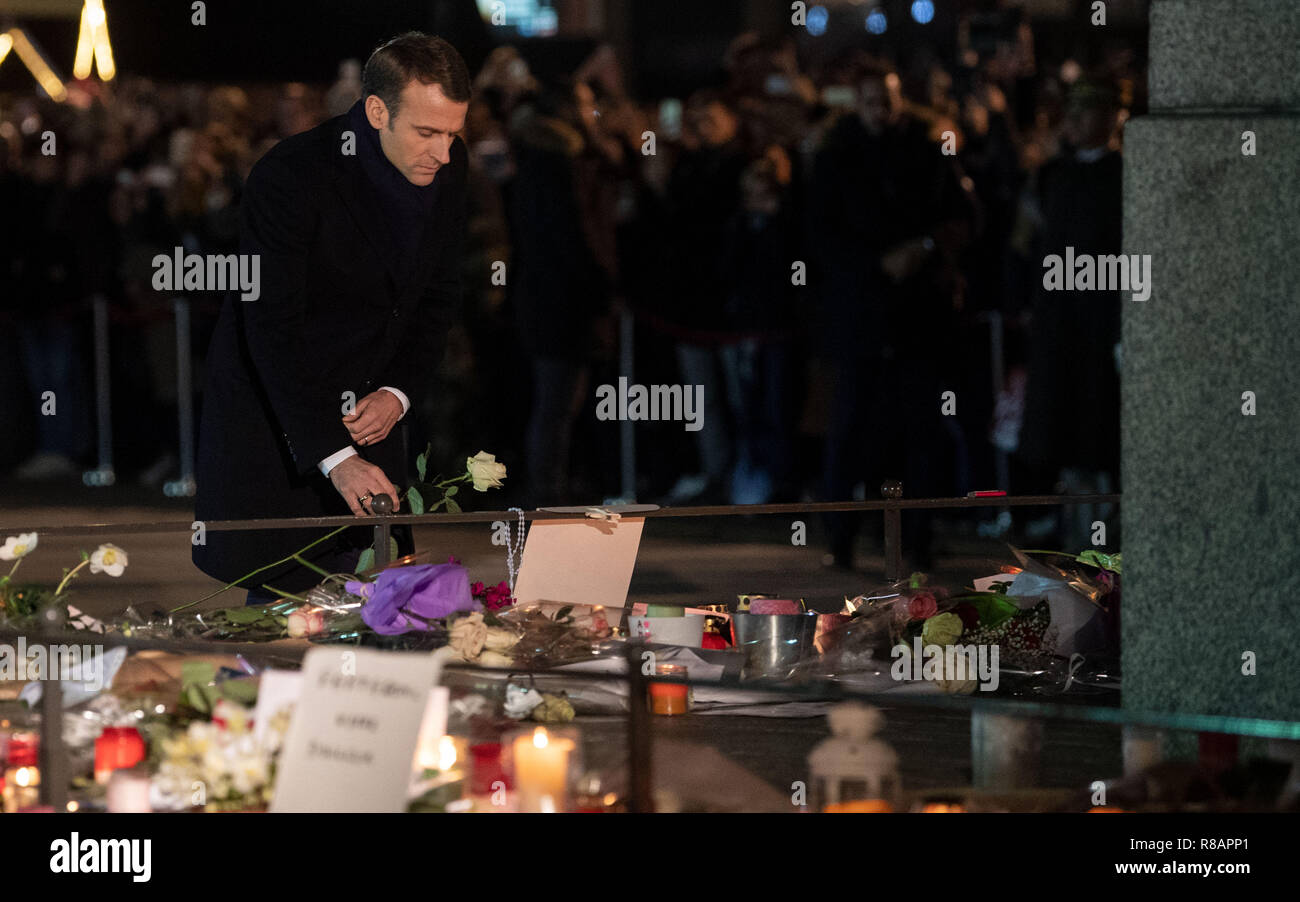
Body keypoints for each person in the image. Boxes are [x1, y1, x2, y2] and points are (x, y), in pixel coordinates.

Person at [193, 33, 470, 602]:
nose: (442, 154)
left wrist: (399, 391)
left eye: (452, 133)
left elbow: (436, 298)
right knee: (286, 622)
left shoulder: (449, 166)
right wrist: (334, 455)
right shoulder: (290, 176)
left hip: (375, 425)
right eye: (426, 132)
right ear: (376, 110)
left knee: (380, 611)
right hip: (285, 431)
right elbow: (271, 329)